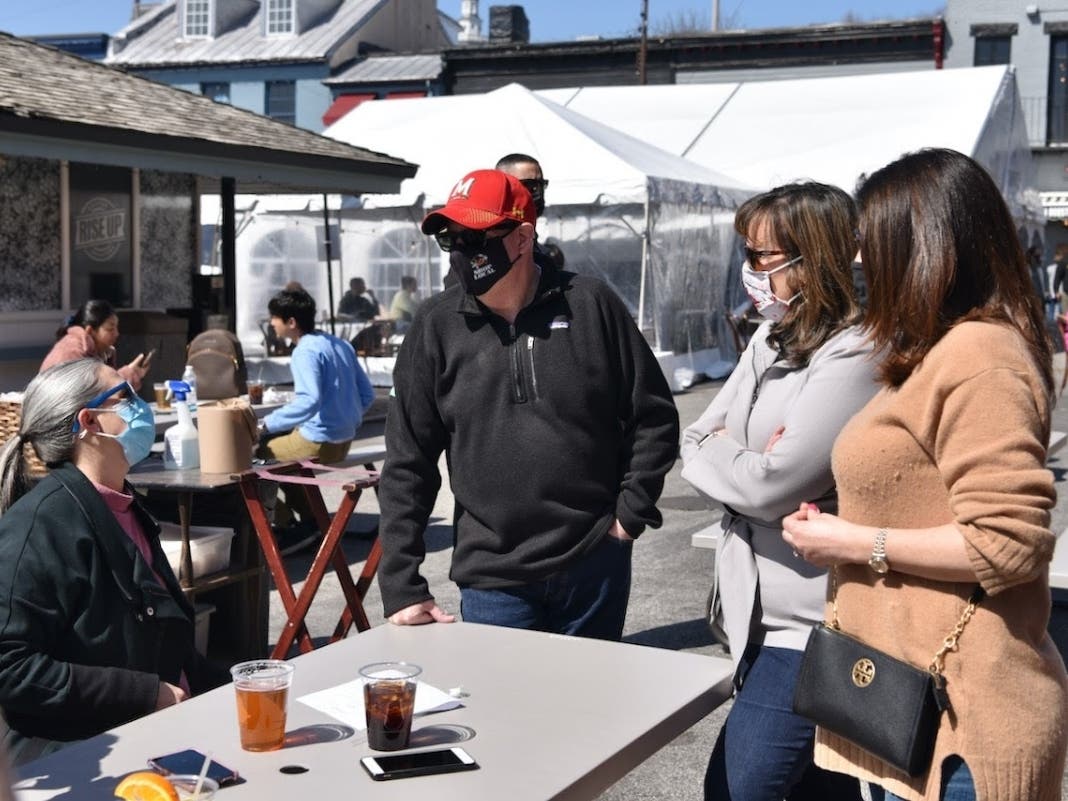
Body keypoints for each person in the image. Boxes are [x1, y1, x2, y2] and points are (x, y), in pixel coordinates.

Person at [782, 148, 1068, 801]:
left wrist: (851, 542)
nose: (858, 260)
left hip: (964, 723)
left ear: (927, 249)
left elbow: (1007, 543)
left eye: (870, 241)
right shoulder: (937, 350)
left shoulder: (982, 355)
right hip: (912, 704)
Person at [376, 168, 679, 640]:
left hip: (593, 562)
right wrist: (401, 584)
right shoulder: (435, 327)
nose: (462, 250)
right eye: (451, 238)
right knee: (505, 711)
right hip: (493, 578)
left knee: (592, 709)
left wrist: (628, 517)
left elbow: (654, 417)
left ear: (522, 236)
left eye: (475, 235)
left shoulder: (592, 305)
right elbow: (407, 462)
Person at [680, 183, 874, 801]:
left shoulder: (856, 351)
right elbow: (695, 437)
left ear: (812, 258)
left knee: (737, 788)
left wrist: (736, 461)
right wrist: (743, 460)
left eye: (763, 256)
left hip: (816, 624)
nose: (751, 269)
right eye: (749, 251)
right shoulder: (770, 337)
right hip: (752, 615)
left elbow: (774, 487)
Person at [0, 359, 228, 765]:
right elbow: (12, 668)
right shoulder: (40, 525)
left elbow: (161, 638)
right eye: (126, 397)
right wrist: (146, 693)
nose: (141, 407)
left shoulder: (124, 505)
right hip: (83, 758)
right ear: (89, 421)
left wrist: (237, 688)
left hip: (158, 735)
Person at [256, 288, 375, 555]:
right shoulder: (340, 344)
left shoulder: (305, 351)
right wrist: (347, 416)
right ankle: (312, 523)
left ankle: (284, 524)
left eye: (274, 318)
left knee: (261, 456)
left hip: (321, 441)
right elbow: (367, 395)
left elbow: (309, 400)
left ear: (291, 322)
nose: (271, 323)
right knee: (286, 459)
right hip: (343, 438)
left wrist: (265, 425)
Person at [40, 299, 150, 390]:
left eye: (117, 328)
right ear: (90, 331)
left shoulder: (101, 352)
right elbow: (91, 393)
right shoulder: (71, 351)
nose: (117, 333)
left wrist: (134, 373)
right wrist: (128, 374)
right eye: (110, 329)